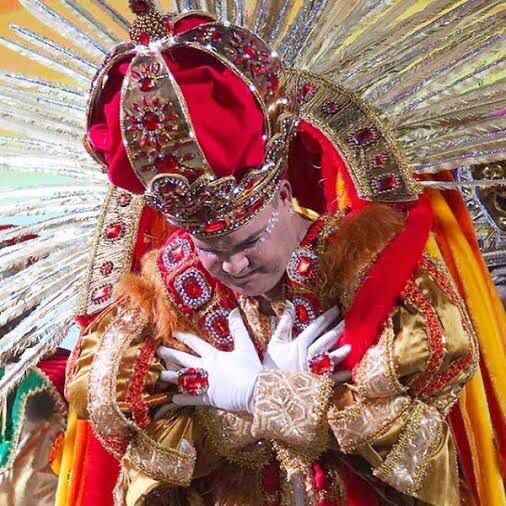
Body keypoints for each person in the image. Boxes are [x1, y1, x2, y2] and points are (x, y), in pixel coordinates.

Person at [63, 6, 483, 505]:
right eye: (210, 250)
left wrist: (275, 398)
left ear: (282, 196)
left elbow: (425, 454)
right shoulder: (170, 291)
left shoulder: (365, 271)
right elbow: (130, 450)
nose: (235, 267)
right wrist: (232, 407)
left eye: (248, 241)